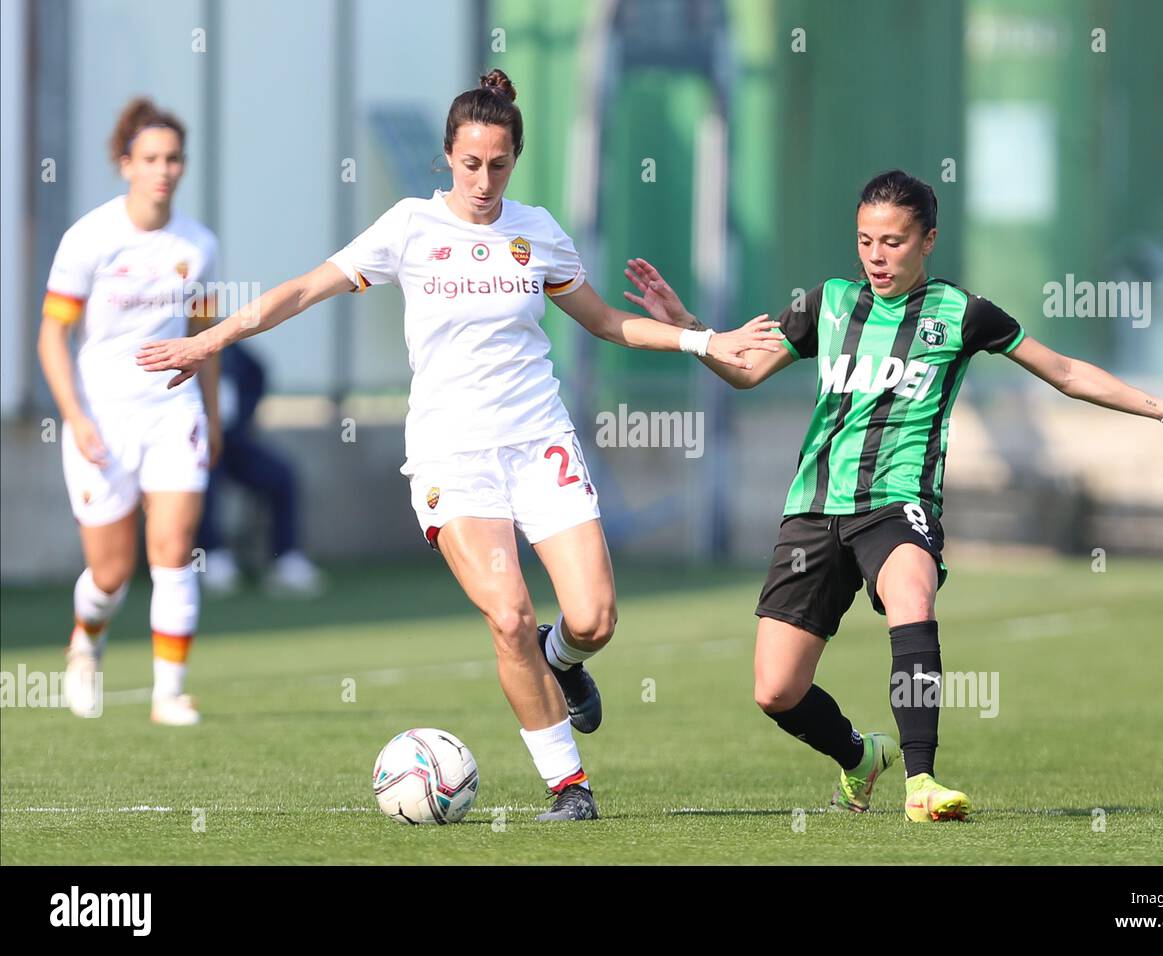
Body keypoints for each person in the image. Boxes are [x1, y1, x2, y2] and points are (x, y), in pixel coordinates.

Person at [137, 70, 781, 820]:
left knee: (595, 620)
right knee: (506, 613)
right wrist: (207, 339)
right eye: (470, 163)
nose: (483, 180)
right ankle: (569, 788)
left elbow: (605, 323)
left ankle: (560, 658)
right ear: (448, 155)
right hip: (453, 456)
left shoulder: (536, 231)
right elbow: (303, 290)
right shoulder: (408, 227)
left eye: (498, 164)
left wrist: (706, 340)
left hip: (538, 440)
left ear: (515, 160)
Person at [624, 168, 1163, 822]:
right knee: (776, 690)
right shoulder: (827, 302)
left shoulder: (963, 313)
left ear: (928, 241)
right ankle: (862, 757)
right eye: (865, 241)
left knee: (911, 593)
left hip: (899, 502)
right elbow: (745, 371)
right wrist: (689, 327)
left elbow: (1063, 371)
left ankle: (923, 781)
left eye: (893, 241)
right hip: (813, 508)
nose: (877, 256)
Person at [38, 97, 222, 726]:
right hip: (102, 421)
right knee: (111, 572)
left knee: (171, 549)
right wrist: (76, 415)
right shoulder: (89, 238)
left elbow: (206, 338)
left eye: (173, 158)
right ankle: (85, 644)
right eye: (150, 159)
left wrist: (214, 418)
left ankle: (169, 693)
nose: (163, 170)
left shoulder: (198, 245)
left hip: (175, 413)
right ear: (126, 165)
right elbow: (50, 336)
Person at [197, 341, 325, 597]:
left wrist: (243, 416)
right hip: (192, 442)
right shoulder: (174, 340)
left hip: (233, 439)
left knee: (281, 475)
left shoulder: (226, 343)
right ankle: (210, 556)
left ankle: (286, 559)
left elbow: (256, 372)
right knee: (205, 479)